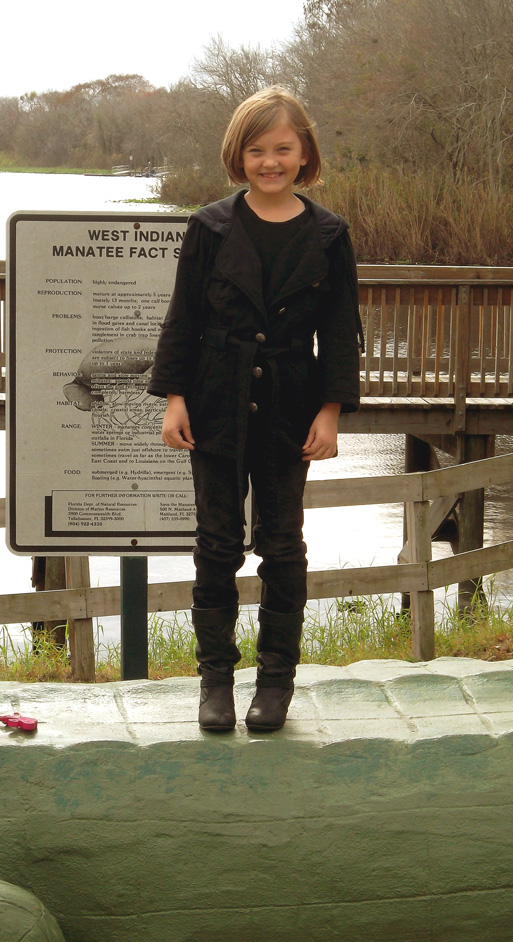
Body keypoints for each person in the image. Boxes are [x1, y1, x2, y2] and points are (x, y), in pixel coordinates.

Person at [147, 87, 362, 733]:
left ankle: (276, 683)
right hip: (214, 401)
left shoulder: (328, 234)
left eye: (283, 149)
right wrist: (175, 400)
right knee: (215, 548)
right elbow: (183, 318)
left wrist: (330, 411)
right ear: (239, 156)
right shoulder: (210, 226)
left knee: (283, 547)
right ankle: (215, 683)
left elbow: (342, 330)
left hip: (291, 406)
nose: (270, 161)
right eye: (257, 149)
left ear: (305, 155)